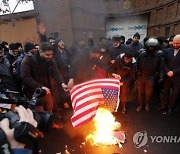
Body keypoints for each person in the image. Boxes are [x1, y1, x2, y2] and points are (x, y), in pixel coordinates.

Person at [21, 42, 68, 128]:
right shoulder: (28, 59)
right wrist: (40, 87)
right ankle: (40, 130)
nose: (49, 57)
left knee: (50, 106)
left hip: (46, 89)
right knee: (39, 111)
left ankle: (51, 124)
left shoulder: (50, 60)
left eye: (51, 55)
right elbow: (25, 77)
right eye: (47, 55)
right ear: (40, 51)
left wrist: (62, 83)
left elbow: (56, 72)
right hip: (33, 90)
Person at [136, 37, 164, 112]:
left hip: (150, 77)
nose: (151, 48)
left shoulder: (158, 56)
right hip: (141, 76)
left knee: (148, 93)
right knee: (140, 93)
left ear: (156, 47)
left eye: (153, 47)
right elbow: (136, 65)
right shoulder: (141, 55)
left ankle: (147, 104)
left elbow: (161, 68)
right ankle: (140, 104)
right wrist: (135, 75)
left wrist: (161, 76)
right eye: (149, 46)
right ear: (146, 46)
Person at [160, 34, 180, 115]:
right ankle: (163, 106)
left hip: (177, 77)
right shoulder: (167, 51)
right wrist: (167, 71)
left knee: (174, 94)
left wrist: (173, 72)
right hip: (167, 76)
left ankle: (170, 108)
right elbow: (164, 63)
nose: (175, 45)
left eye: (177, 43)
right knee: (165, 92)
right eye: (174, 43)